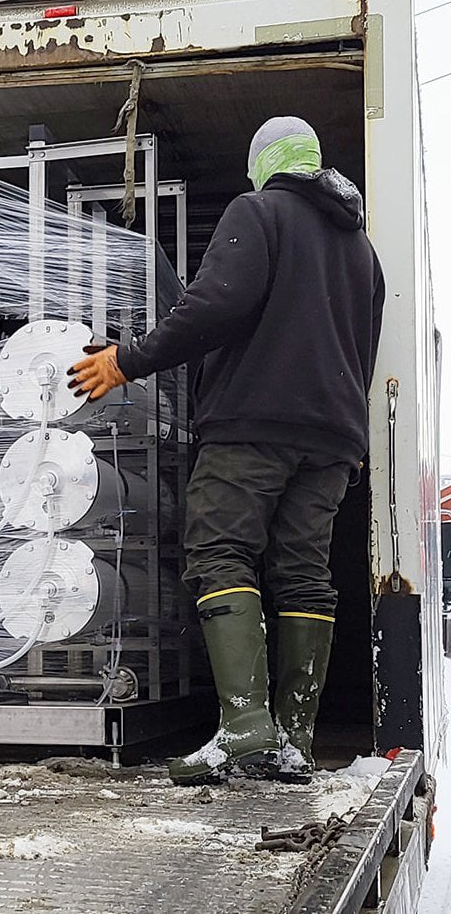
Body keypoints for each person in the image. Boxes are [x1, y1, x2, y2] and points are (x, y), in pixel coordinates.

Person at [69, 117, 384, 785]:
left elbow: (214, 305)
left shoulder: (259, 211)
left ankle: (245, 729)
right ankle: (292, 741)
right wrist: (350, 434)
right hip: (331, 441)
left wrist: (127, 360)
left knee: (220, 550)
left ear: (265, 164)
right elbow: (362, 348)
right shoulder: (364, 251)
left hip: (253, 425)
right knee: (303, 574)